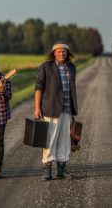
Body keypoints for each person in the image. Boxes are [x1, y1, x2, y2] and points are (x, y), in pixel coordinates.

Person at [34, 40, 78, 180]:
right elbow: (39, 88)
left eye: (64, 51)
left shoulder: (71, 67)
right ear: (53, 53)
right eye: (58, 51)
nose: (61, 53)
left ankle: (61, 170)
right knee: (49, 140)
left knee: (64, 140)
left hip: (66, 109)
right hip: (50, 109)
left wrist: (72, 110)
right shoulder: (46, 67)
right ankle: (47, 170)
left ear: (67, 53)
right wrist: (37, 108)